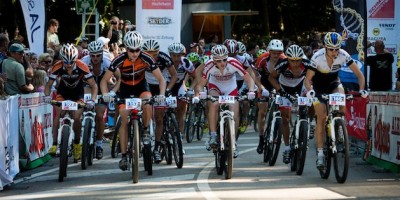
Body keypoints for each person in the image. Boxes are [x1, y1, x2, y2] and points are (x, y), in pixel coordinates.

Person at [100, 31, 166, 171]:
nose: (134, 53)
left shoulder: (147, 58)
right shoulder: (119, 59)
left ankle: (146, 131)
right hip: (125, 89)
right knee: (124, 115)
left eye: (137, 50)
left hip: (141, 87)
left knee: (148, 103)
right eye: (131, 50)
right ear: (126, 49)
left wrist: (161, 94)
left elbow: (161, 79)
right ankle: (124, 156)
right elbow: (104, 81)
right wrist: (106, 94)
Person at [304, 32, 367, 170]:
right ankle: (320, 154)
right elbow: (307, 80)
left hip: (333, 83)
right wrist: (310, 91)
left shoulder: (343, 55)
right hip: (318, 87)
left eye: (337, 48)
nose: (334, 52)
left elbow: (359, 75)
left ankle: (339, 124)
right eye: (331, 49)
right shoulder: (317, 57)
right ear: (325, 47)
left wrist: (362, 89)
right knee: (321, 117)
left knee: (341, 95)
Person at [193, 45, 255, 158]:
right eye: (218, 60)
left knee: (235, 109)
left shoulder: (233, 63)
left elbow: (249, 78)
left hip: (230, 88)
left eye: (224, 59)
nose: (222, 63)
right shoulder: (209, 65)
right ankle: (212, 135)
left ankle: (233, 142)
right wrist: (201, 93)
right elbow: (201, 85)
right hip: (215, 87)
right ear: (213, 60)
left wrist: (251, 91)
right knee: (214, 103)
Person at [45, 44, 98, 162]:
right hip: (62, 93)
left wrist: (92, 100)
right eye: (66, 62)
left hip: (78, 94)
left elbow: (93, 85)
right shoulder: (57, 66)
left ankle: (77, 144)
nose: (68, 65)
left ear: (75, 59)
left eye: (71, 62)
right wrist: (47, 96)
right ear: (61, 59)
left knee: (77, 117)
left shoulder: (82, 66)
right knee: (59, 114)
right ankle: (54, 144)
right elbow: (48, 85)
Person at [268, 44, 311, 164]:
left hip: (300, 86)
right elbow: (271, 78)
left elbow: (315, 77)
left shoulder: (307, 64)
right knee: (285, 119)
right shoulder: (283, 64)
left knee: (312, 101)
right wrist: (280, 91)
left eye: (298, 60)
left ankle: (309, 123)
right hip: (285, 88)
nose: (295, 63)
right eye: (292, 60)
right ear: (288, 58)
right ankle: (287, 148)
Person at [142, 39, 178, 163]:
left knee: (158, 117)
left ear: (158, 52)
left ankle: (156, 147)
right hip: (146, 85)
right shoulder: (141, 58)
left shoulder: (164, 58)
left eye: (154, 54)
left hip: (160, 85)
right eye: (148, 53)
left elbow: (174, 75)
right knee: (146, 112)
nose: (152, 56)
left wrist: (168, 90)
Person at [81, 41, 117, 159]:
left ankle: (99, 144)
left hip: (103, 85)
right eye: (93, 55)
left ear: (102, 54)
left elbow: (119, 77)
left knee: (100, 115)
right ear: (89, 54)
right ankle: (84, 129)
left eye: (98, 55)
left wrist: (113, 91)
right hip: (88, 85)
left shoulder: (107, 61)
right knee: (85, 108)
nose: (95, 58)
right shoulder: (84, 61)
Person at [254, 39, 286, 154]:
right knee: (262, 110)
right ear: (269, 51)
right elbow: (255, 75)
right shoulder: (262, 58)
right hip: (264, 83)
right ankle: (261, 138)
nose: (276, 55)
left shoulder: (284, 59)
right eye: (274, 53)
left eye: (279, 53)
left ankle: (277, 126)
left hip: (278, 82)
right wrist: (260, 87)